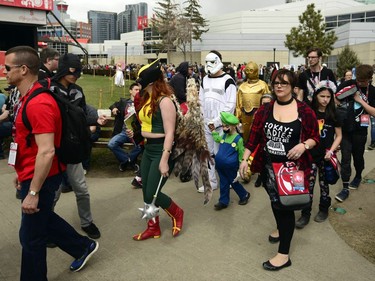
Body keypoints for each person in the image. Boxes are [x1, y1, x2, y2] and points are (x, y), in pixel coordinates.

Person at [4, 45, 98, 280]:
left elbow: (46, 152)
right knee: (42, 220)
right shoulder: (27, 97)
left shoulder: (39, 103)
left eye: (8, 68)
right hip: (31, 173)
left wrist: (33, 190)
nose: (4, 72)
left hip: (43, 178)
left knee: (30, 238)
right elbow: (28, 142)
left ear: (23, 69)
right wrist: (21, 170)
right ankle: (82, 247)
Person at [239, 69, 319, 271]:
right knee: (276, 204)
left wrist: (303, 146)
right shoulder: (265, 110)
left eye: (284, 83)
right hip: (268, 168)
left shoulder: (305, 111)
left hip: (292, 171)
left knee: (286, 208)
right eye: (276, 83)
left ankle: (284, 255)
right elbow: (253, 137)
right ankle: (280, 229)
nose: (279, 86)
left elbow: (315, 137)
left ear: (293, 87)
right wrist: (244, 160)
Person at [50, 53, 106, 239]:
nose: (75, 75)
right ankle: (47, 226)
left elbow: (80, 115)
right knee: (53, 193)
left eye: (78, 71)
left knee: (82, 190)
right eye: (72, 70)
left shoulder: (78, 91)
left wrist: (95, 120)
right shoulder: (47, 88)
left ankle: (87, 222)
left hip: (72, 148)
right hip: (52, 149)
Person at [132, 59, 184, 241]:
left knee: (151, 193)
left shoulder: (165, 102)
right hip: (148, 149)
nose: (137, 83)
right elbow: (145, 124)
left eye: (140, 79)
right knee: (146, 189)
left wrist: (164, 159)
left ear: (151, 81)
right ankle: (153, 227)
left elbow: (170, 133)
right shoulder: (147, 99)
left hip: (161, 150)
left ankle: (177, 212)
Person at [295, 80, 342, 229]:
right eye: (322, 96)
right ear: (315, 96)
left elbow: (339, 136)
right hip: (310, 156)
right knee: (307, 185)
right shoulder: (309, 111)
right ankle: (305, 213)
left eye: (328, 97)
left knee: (324, 185)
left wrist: (331, 150)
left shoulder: (334, 114)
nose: (325, 100)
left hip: (326, 157)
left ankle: (323, 209)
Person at [335, 64, 375, 202]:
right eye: (358, 79)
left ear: (370, 78)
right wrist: (340, 105)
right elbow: (335, 98)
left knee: (358, 157)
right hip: (345, 129)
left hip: (360, 130)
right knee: (345, 159)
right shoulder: (348, 84)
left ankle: (358, 175)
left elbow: (374, 112)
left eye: (363, 81)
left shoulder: (373, 91)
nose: (359, 83)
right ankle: (345, 186)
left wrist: (359, 100)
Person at [198, 50, 237, 193]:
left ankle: (229, 180)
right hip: (207, 123)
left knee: (224, 154)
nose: (208, 66)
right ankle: (212, 182)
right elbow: (201, 100)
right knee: (209, 153)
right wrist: (204, 118)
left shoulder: (228, 80)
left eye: (211, 62)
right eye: (206, 62)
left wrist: (217, 121)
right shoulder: (204, 79)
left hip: (221, 125)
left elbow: (230, 104)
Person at [211, 111, 250, 210]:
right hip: (221, 166)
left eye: (226, 126)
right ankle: (223, 201)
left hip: (231, 167)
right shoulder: (224, 136)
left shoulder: (238, 139)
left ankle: (244, 194)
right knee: (223, 183)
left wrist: (241, 167)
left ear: (233, 126)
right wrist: (213, 132)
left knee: (234, 182)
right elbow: (218, 140)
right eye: (223, 126)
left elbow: (241, 153)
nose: (224, 128)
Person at [108, 82, 143, 172]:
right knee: (111, 144)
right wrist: (114, 108)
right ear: (130, 91)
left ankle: (126, 162)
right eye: (136, 89)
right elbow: (113, 105)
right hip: (124, 132)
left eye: (139, 90)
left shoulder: (142, 103)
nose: (138, 91)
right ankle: (128, 161)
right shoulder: (124, 102)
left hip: (136, 133)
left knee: (141, 146)